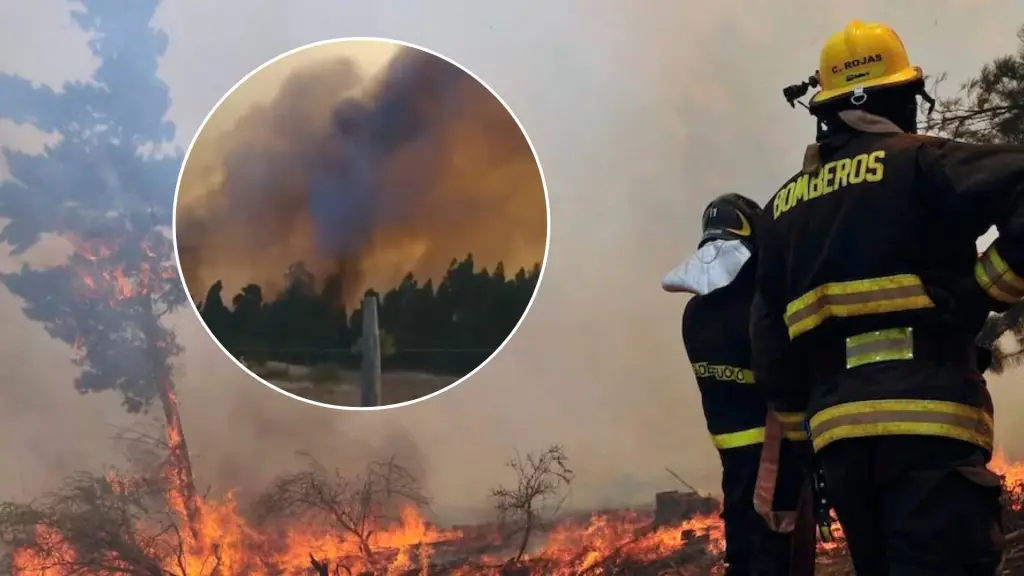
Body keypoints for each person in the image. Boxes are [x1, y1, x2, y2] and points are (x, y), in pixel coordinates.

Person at [751, 19, 1024, 575]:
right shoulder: (922, 162)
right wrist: (984, 289)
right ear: (899, 98)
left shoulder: (781, 211)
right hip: (931, 427)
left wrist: (812, 438)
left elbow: (769, 346)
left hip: (841, 449)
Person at [664, 193, 812, 575]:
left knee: (745, 546)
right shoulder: (757, 308)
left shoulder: (694, 314)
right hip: (776, 451)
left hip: (733, 454)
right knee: (776, 551)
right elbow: (786, 370)